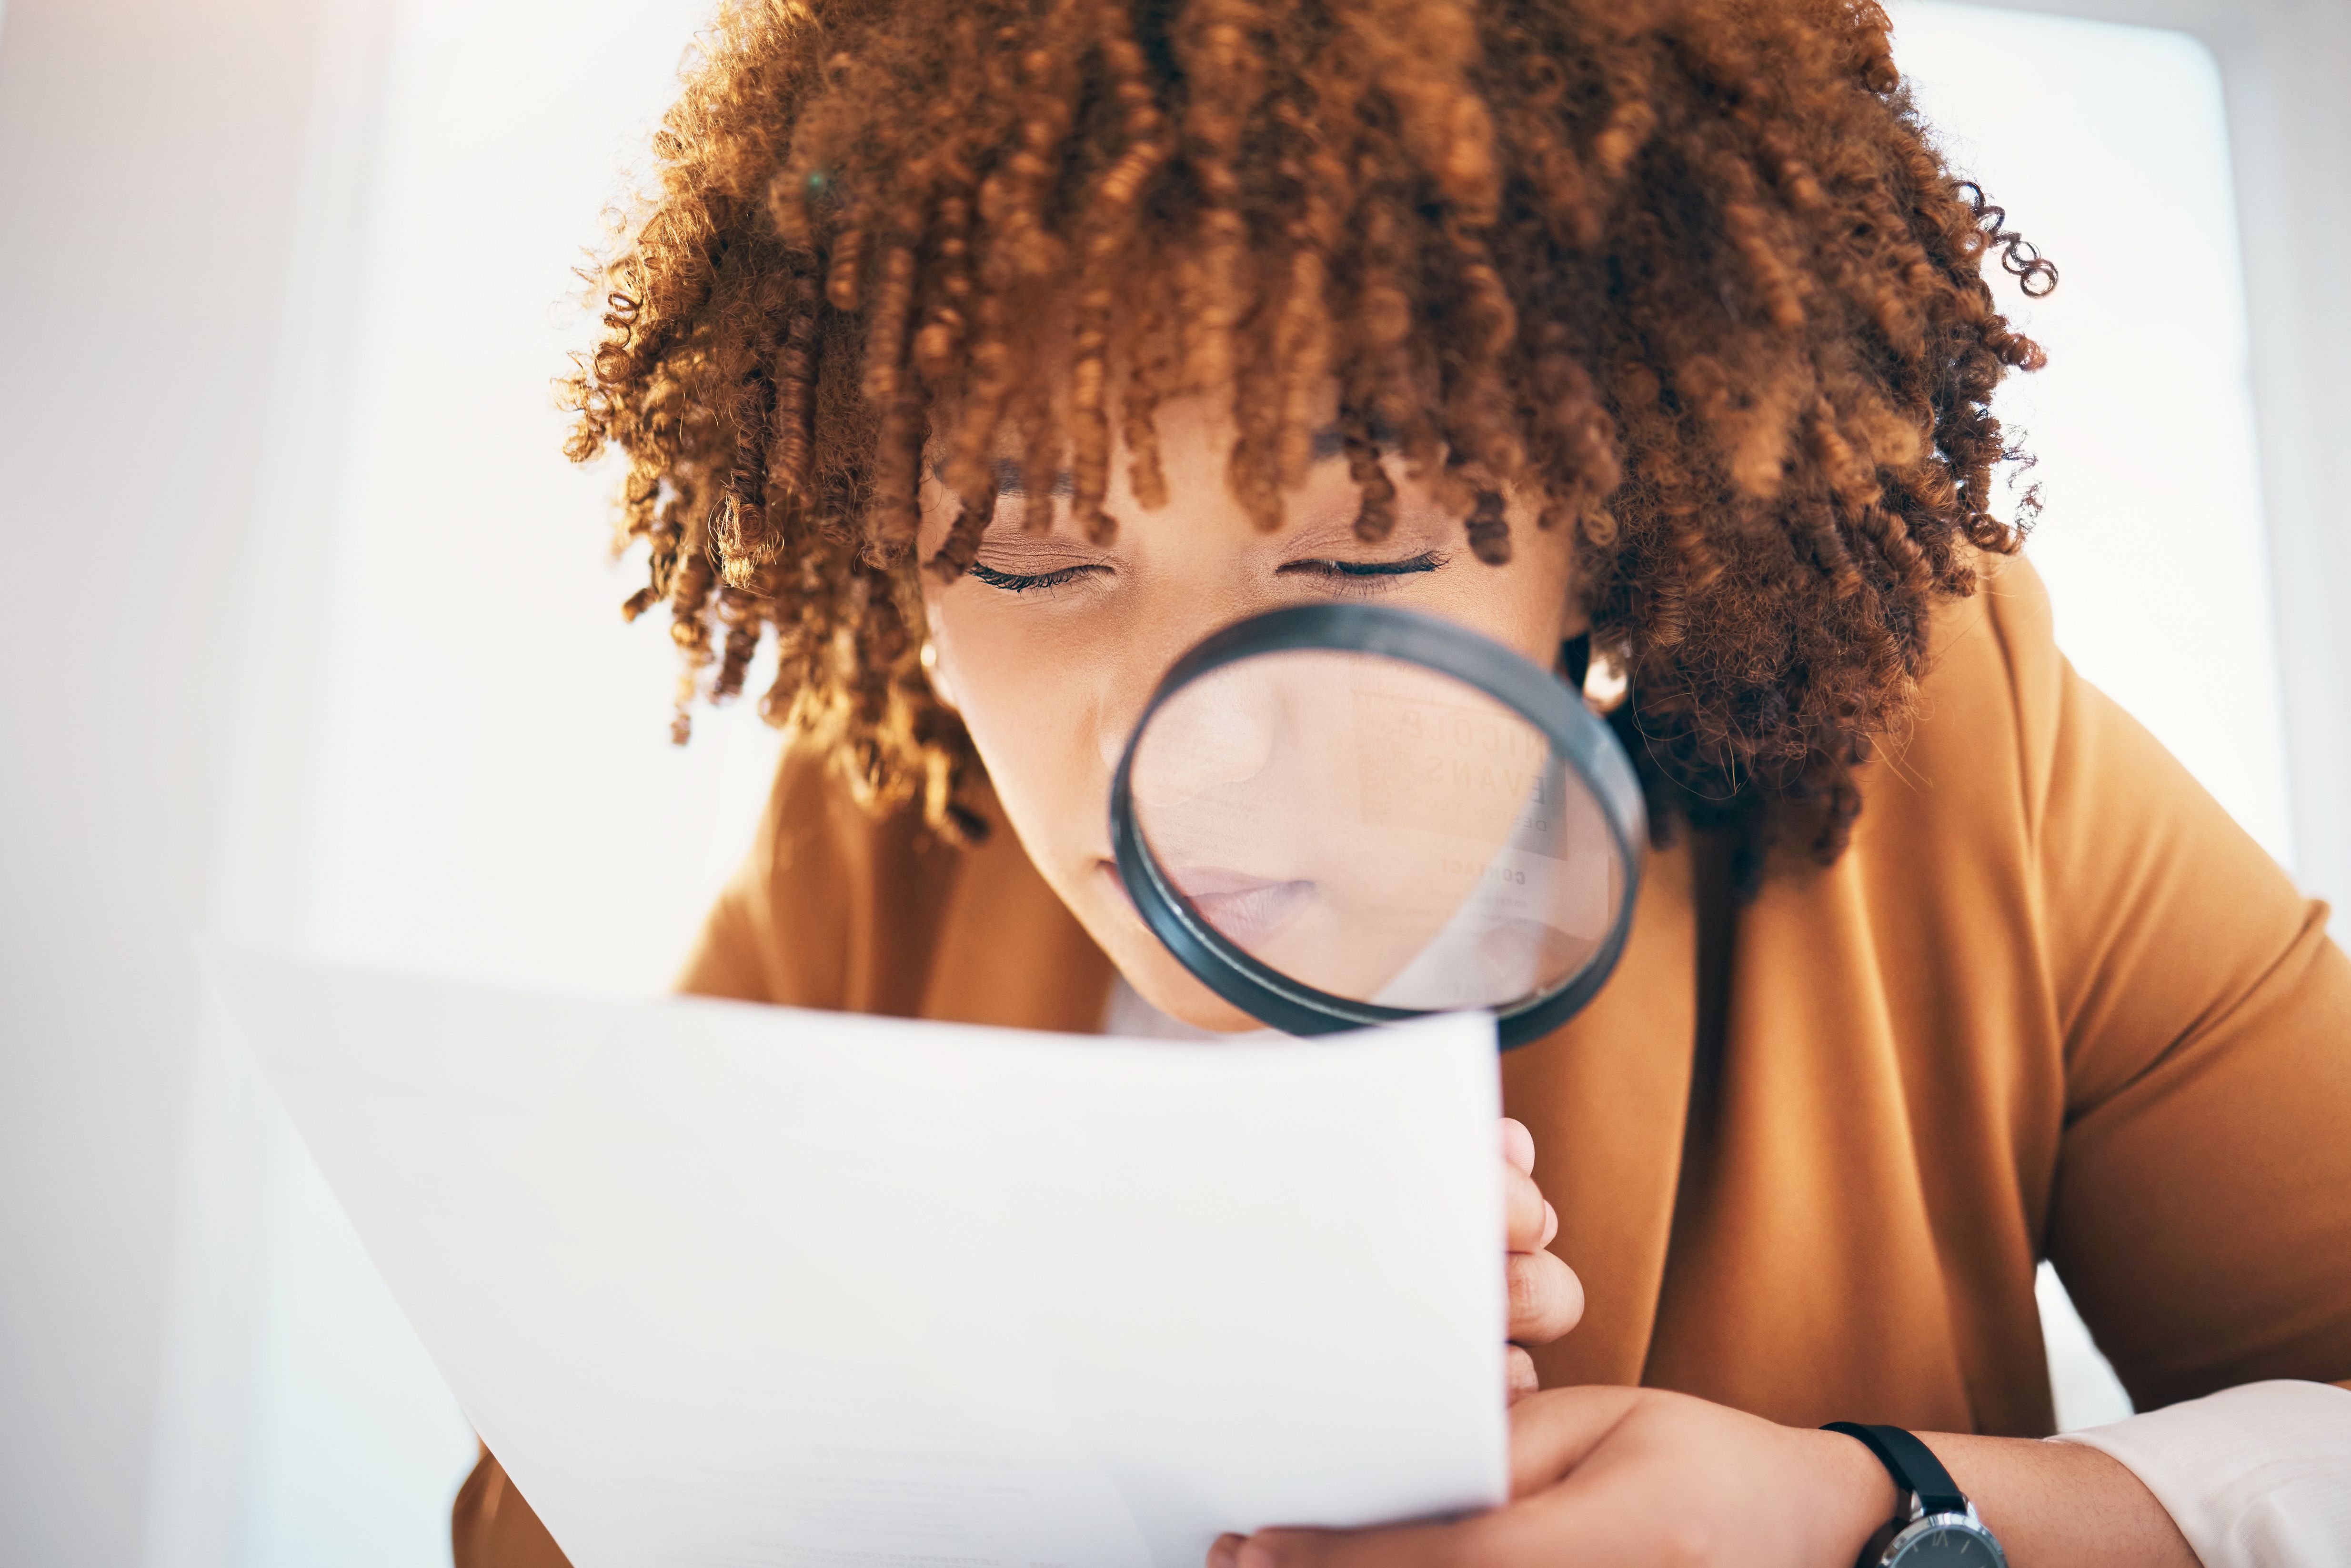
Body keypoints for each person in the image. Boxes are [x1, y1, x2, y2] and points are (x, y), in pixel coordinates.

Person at [453, 0, 2351, 1563]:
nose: (1192, 743)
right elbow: (528, 1513)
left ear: (1603, 521)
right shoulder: (880, 834)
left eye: (1360, 553)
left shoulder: (1954, 749)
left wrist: (1890, 1518)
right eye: (1031, 559)